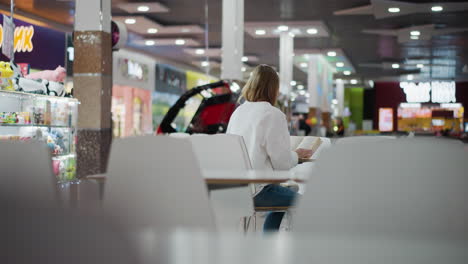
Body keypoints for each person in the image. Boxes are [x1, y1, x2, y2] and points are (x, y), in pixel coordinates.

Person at [227, 64, 312, 232]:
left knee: (281, 199)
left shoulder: (238, 112)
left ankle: (268, 246)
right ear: (274, 89)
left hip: (233, 189)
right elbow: (282, 164)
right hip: (258, 191)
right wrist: (295, 154)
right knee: (308, 203)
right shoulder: (273, 114)